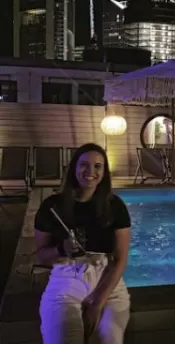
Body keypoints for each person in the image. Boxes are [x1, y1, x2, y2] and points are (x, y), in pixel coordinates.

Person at [34, 143, 131, 344]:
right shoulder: (52, 206)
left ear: (104, 172)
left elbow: (120, 259)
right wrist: (62, 249)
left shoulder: (115, 206)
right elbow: (41, 254)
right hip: (67, 276)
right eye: (84, 164)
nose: (90, 171)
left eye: (98, 166)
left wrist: (97, 303)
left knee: (109, 338)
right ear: (74, 168)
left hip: (106, 279)